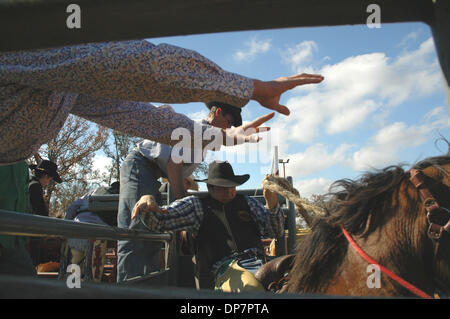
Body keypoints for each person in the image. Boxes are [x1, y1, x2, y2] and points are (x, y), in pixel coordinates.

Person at [117, 102, 243, 282]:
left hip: (152, 171)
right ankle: (129, 292)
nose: (229, 129)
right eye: (229, 122)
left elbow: (175, 168)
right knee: (137, 229)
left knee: (151, 230)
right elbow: (173, 166)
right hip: (141, 164)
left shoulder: (203, 139)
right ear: (218, 114)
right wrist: (185, 204)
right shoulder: (198, 133)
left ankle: (145, 289)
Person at [131, 161, 284, 291]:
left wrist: (272, 203)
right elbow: (159, 221)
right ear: (210, 188)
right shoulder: (195, 206)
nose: (230, 191)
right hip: (223, 270)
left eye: (232, 186)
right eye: (224, 187)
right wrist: (146, 203)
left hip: (260, 264)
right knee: (250, 289)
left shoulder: (248, 203)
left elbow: (276, 231)